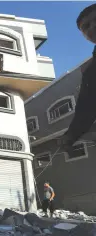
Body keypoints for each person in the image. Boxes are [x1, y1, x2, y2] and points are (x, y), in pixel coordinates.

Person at [59, 3, 96, 150]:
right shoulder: (91, 71)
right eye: (86, 26)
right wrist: (71, 136)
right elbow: (88, 105)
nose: (92, 27)